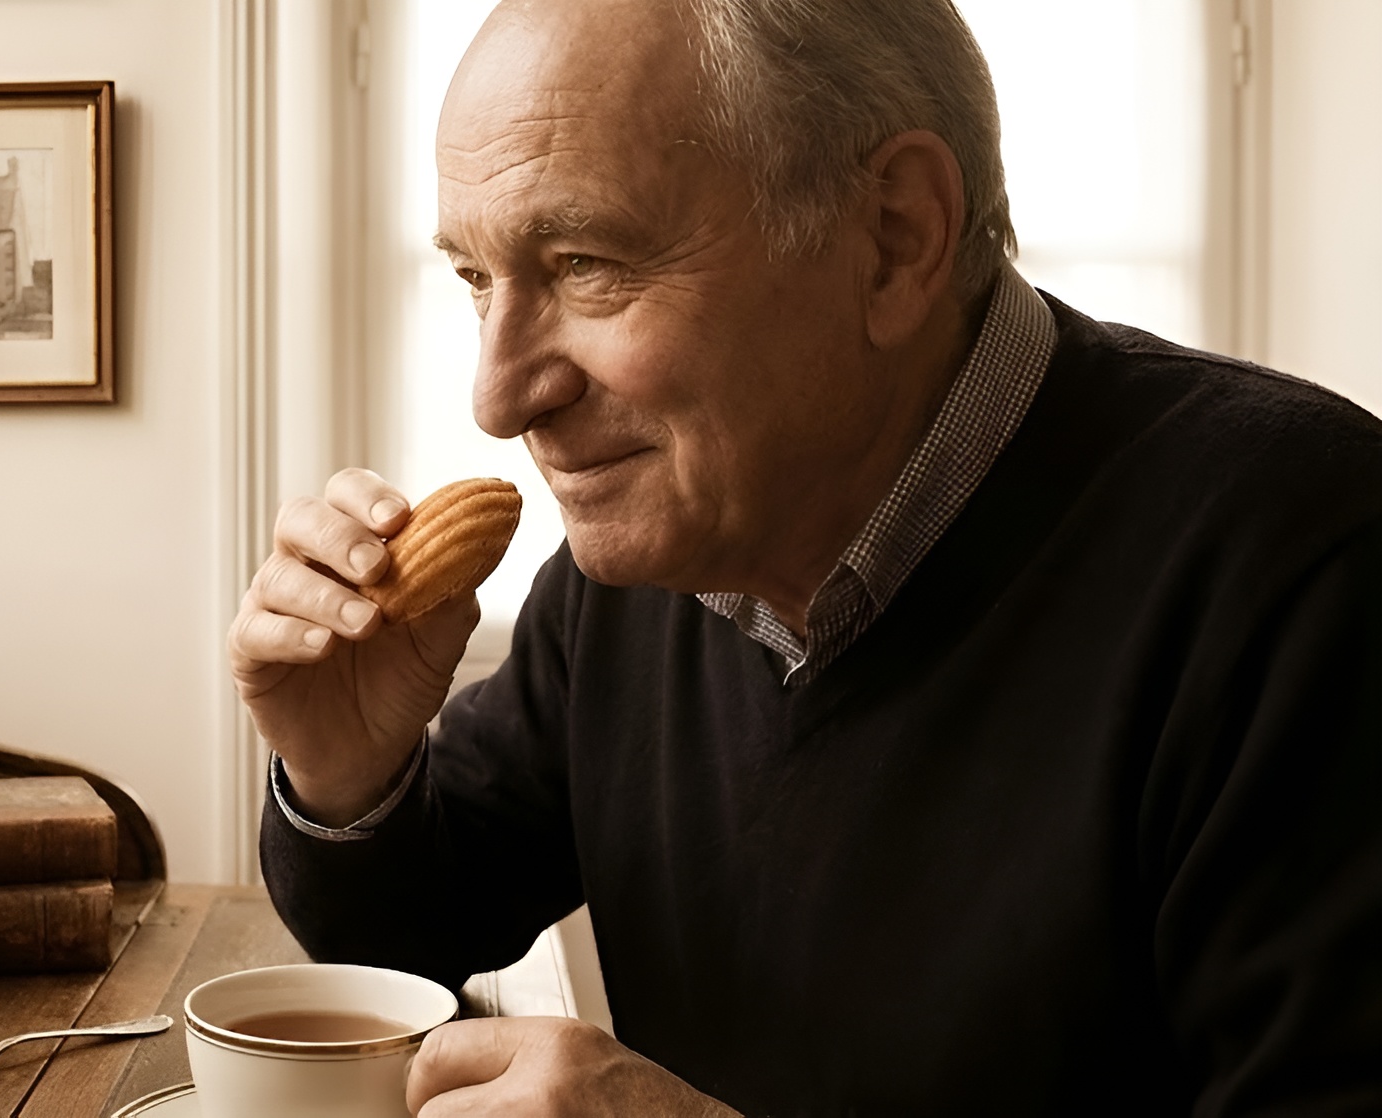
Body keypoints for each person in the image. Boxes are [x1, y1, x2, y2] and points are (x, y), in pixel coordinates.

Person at [228, 0, 1382, 1114]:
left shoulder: (1309, 561)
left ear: (893, 238)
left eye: (584, 262)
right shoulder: (633, 573)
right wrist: (348, 776)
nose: (497, 395)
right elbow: (411, 935)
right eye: (475, 278)